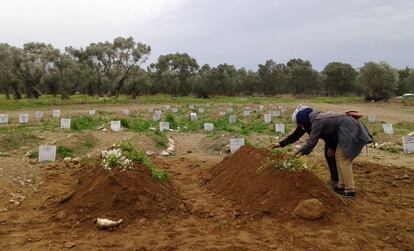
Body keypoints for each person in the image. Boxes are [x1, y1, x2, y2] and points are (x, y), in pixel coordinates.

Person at [274, 105, 373, 198]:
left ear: (303, 120)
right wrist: (281, 144)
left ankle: (350, 191)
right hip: (342, 133)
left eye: (299, 123)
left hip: (350, 130)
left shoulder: (317, 122)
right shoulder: (311, 120)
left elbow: (311, 144)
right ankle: (341, 185)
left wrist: (295, 154)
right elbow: (297, 134)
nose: (299, 126)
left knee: (344, 159)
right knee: (339, 157)